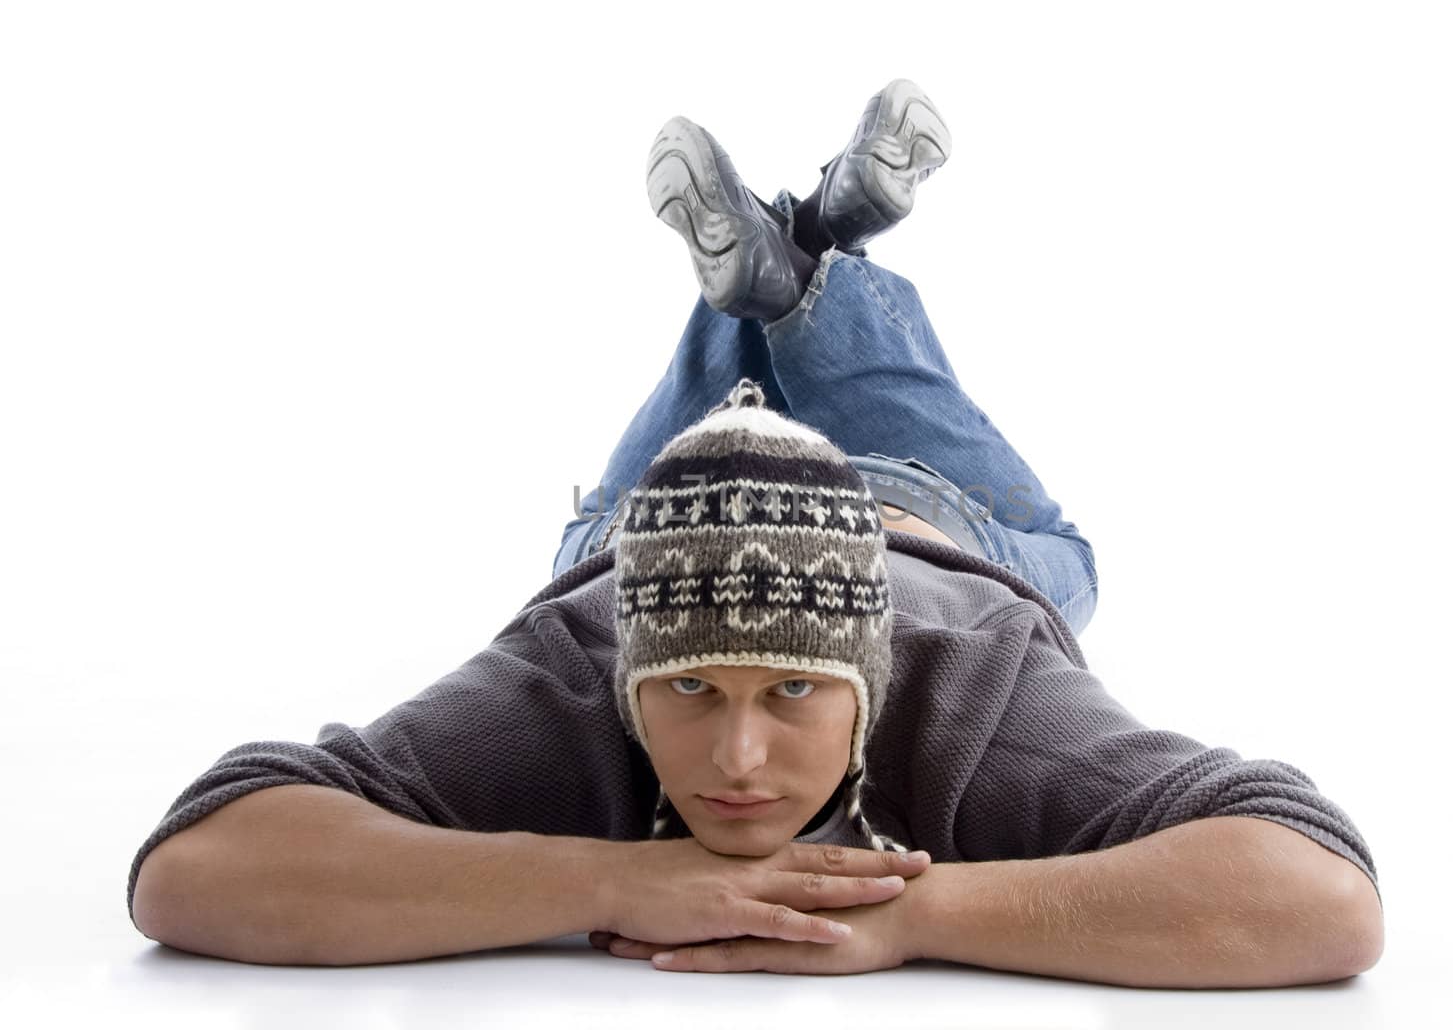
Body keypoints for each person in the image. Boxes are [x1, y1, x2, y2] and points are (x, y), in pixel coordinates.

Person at [125, 80, 1383, 986]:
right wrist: (607, 877)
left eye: (793, 685)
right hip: (639, 539)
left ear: (872, 678)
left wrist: (915, 912)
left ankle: (797, 259)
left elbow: (1322, 894)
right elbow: (194, 864)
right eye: (685, 687)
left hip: (923, 513)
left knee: (1049, 554)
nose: (738, 751)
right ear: (624, 668)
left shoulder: (973, 684)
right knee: (811, 396)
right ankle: (813, 256)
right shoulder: (575, 667)